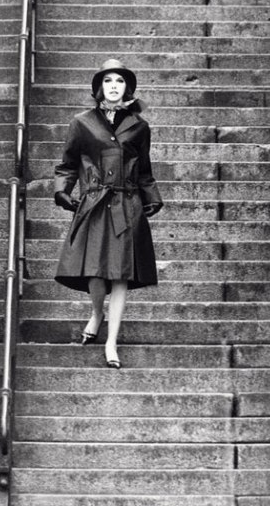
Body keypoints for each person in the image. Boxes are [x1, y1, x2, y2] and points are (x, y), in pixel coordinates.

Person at [54, 58, 163, 369]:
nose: (113, 86)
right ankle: (97, 312)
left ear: (126, 88)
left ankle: (111, 342)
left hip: (128, 206)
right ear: (99, 88)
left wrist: (151, 196)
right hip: (95, 204)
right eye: (107, 81)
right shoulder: (82, 122)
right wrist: (63, 190)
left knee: (121, 277)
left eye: (119, 81)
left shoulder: (139, 127)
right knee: (95, 272)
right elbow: (67, 163)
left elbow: (144, 169)